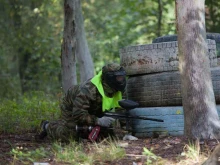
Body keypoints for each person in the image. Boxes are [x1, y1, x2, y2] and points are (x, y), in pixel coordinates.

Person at [35, 63, 127, 142]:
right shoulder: (88, 90)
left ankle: (85, 131)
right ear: (109, 78)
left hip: (94, 110)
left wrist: (126, 132)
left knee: (106, 137)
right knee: (70, 135)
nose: (122, 80)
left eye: (122, 77)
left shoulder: (118, 88)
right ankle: (47, 126)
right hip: (72, 107)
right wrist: (98, 121)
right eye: (119, 78)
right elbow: (78, 114)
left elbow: (121, 109)